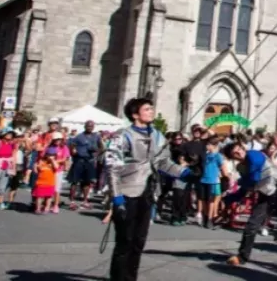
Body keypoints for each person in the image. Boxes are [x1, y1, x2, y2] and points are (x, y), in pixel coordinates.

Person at [105, 98, 191, 281]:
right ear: (135, 114)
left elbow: (163, 162)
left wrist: (184, 173)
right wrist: (116, 196)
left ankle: (131, 277)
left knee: (139, 241)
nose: (151, 111)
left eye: (152, 108)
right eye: (147, 109)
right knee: (125, 241)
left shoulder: (158, 135)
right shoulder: (122, 135)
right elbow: (112, 167)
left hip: (149, 191)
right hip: (127, 192)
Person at [223, 142, 277, 272]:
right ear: (232, 157)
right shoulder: (241, 167)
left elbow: (254, 177)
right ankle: (242, 257)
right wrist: (227, 199)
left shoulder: (253, 154)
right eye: (235, 152)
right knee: (251, 225)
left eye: (240, 148)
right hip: (264, 193)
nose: (239, 152)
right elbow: (245, 189)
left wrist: (242, 181)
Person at [69, 120, 102, 211]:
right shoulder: (79, 136)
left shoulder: (96, 136)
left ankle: (85, 201)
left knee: (87, 182)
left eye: (91, 126)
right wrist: (73, 152)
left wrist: (97, 153)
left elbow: (102, 147)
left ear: (94, 127)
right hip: (79, 160)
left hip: (90, 161)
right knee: (74, 181)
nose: (90, 127)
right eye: (88, 126)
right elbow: (72, 145)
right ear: (85, 126)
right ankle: (72, 201)